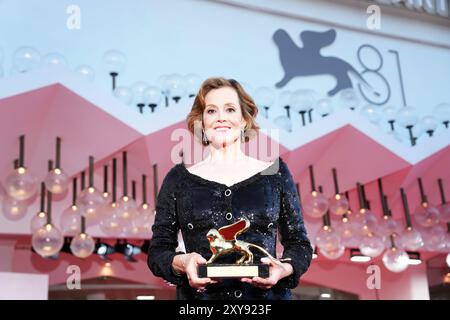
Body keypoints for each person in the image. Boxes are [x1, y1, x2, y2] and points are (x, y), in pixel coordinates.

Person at [147, 77, 313, 300]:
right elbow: (158, 251)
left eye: (230, 109)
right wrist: (182, 261)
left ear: (244, 119)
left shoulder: (274, 172)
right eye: (212, 111)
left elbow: (299, 244)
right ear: (202, 121)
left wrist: (284, 268)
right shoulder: (179, 179)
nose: (221, 118)